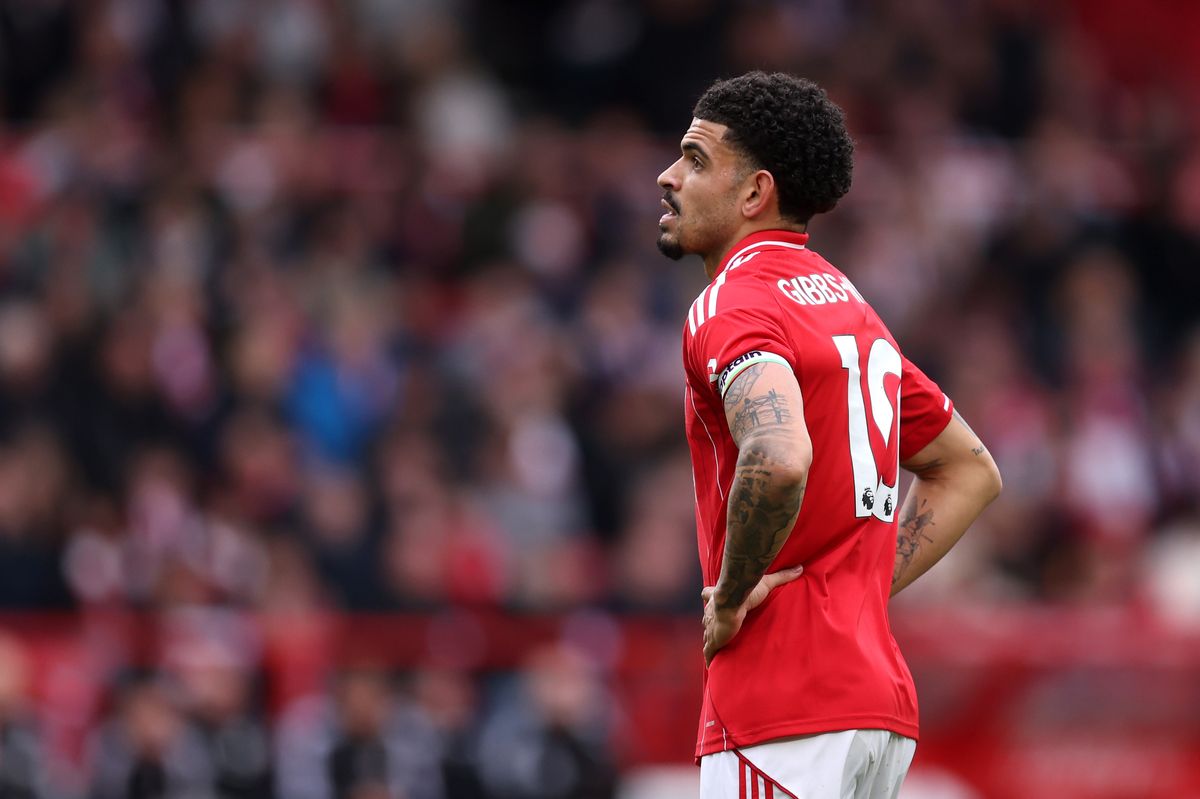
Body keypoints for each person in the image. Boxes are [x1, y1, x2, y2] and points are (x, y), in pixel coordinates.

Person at [655, 71, 1003, 798]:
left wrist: (732, 594)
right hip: (876, 707)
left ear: (754, 193)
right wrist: (862, 586)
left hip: (782, 703)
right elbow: (969, 469)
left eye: (694, 159)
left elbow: (777, 457)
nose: (669, 177)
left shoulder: (733, 302)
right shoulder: (849, 310)